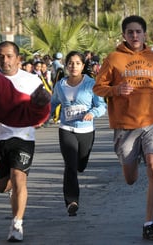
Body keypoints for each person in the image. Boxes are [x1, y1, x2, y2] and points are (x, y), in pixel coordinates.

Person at [93, 15, 153, 241]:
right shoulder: (113, 58)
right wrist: (116, 90)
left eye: (138, 32)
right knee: (130, 178)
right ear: (124, 35)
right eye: (130, 32)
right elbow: (99, 87)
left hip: (152, 121)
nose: (134, 36)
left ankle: (149, 223)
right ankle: (132, 159)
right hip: (125, 125)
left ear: (145, 34)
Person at [0, 64, 50, 245]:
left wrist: (38, 105)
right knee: (3, 186)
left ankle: (17, 222)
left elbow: (17, 110)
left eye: (10, 55)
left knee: (19, 177)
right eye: (1, 55)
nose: (5, 60)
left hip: (17, 141)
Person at [51, 51, 106, 217]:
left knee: (80, 165)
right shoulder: (60, 85)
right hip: (66, 129)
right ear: (66, 65)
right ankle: (72, 202)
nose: (73, 66)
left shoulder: (91, 84)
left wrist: (93, 113)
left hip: (86, 130)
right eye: (70, 63)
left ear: (83, 66)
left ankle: (80, 165)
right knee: (70, 166)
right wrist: (41, 117)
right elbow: (53, 103)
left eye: (77, 63)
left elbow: (102, 106)